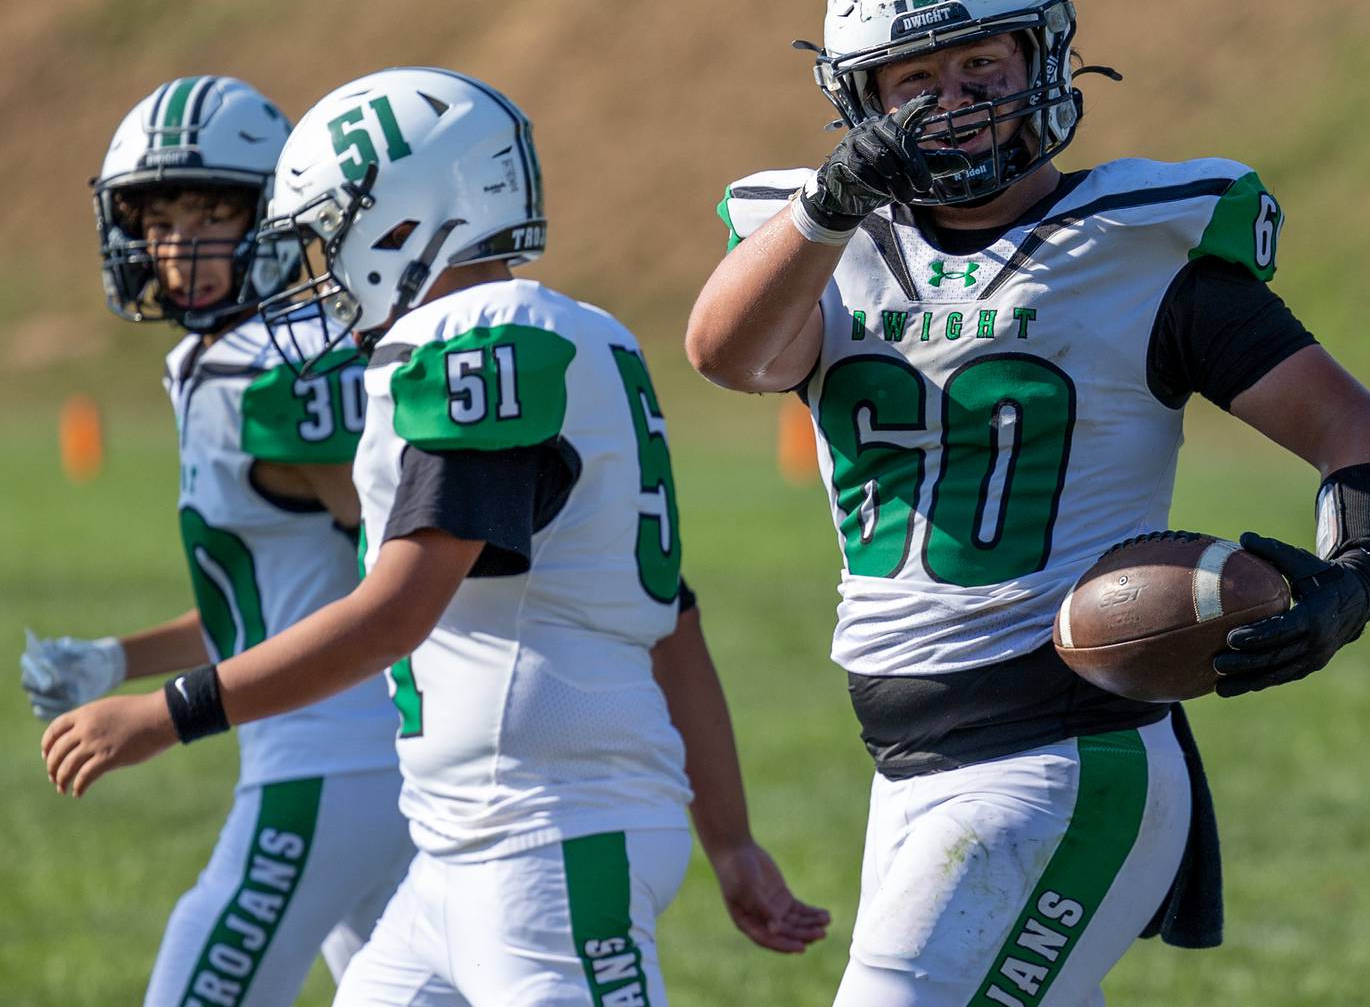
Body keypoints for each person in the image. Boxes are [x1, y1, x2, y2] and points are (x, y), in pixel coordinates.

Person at [686, 0, 1370, 1006]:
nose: (959, 102)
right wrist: (832, 203)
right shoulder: (822, 247)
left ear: (1043, 52)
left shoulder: (1137, 250)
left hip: (1068, 747)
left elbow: (1352, 428)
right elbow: (725, 358)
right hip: (911, 765)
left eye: (983, 62)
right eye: (915, 81)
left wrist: (1355, 578)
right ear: (860, 100)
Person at [42, 66, 829, 1006]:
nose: (321, 272)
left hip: (549, 838)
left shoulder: (484, 341)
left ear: (402, 222)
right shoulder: (574, 336)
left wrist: (170, 714)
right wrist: (730, 842)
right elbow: (675, 619)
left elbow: (391, 615)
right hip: (461, 843)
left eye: (328, 237)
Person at [21, 75, 415, 1005]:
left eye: (208, 213)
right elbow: (284, 603)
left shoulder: (275, 370)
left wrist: (163, 712)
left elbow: (402, 567)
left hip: (328, 761)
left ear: (270, 218)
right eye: (160, 219)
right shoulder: (219, 359)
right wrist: (119, 658)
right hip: (361, 760)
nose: (178, 244)